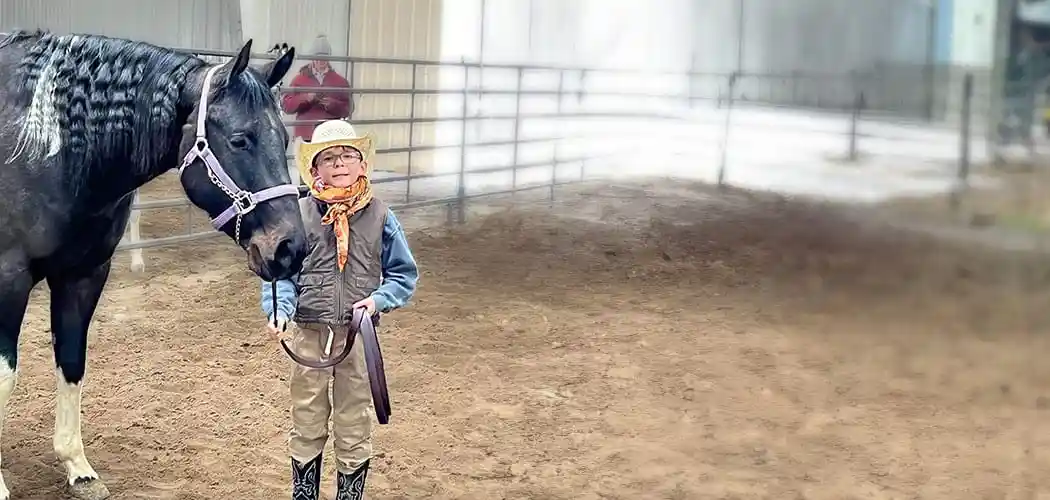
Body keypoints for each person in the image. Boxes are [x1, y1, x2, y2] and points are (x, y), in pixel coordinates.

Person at [260, 119, 418, 500]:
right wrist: (279, 309)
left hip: (357, 336)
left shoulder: (381, 216)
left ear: (363, 165)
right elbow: (280, 274)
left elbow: (403, 275)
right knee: (307, 416)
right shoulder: (296, 215)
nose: (340, 163)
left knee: (353, 420)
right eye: (328, 157)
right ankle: (305, 494)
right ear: (314, 169)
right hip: (309, 335)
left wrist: (378, 300)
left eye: (349, 155)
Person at [282, 34, 355, 141]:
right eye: (318, 58)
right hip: (305, 136)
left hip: (330, 135)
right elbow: (287, 106)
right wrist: (306, 98)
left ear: (329, 58)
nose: (321, 61)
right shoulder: (299, 80)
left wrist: (333, 105)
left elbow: (349, 108)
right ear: (312, 58)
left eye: (324, 58)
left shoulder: (340, 82)